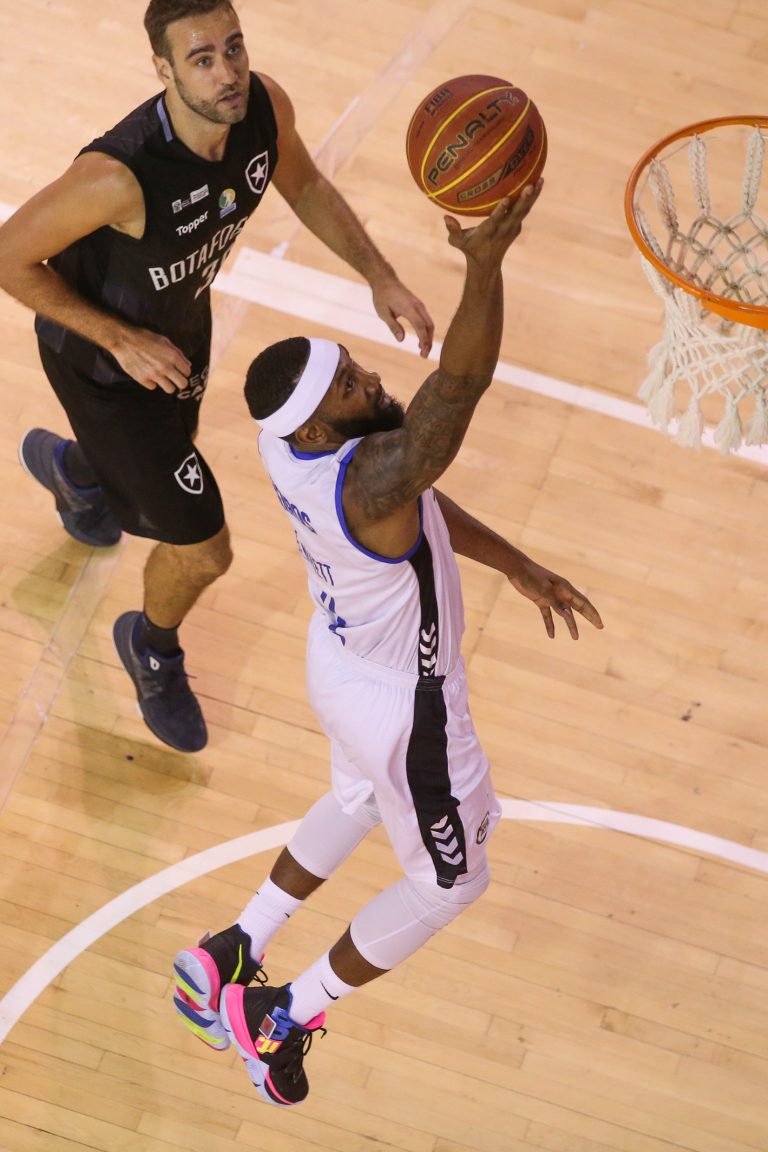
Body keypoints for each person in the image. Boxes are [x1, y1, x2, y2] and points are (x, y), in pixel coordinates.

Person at [171, 183, 604, 1108]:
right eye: (350, 388)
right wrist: (483, 270)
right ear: (320, 425)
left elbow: (419, 503)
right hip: (408, 709)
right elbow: (459, 391)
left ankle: (233, 948)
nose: (371, 382)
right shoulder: (367, 479)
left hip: (340, 664)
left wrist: (517, 564)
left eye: (355, 366)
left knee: (359, 796)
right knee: (452, 884)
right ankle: (279, 1016)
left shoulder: (288, 448)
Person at [0, 0, 433, 754]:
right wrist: (120, 339)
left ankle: (81, 475)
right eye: (202, 59)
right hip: (106, 366)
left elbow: (305, 186)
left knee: (160, 458)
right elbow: (9, 256)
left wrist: (380, 275)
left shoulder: (262, 108)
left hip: (180, 333)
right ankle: (150, 645)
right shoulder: (118, 176)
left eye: (233, 48)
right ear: (163, 70)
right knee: (204, 549)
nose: (228, 72)